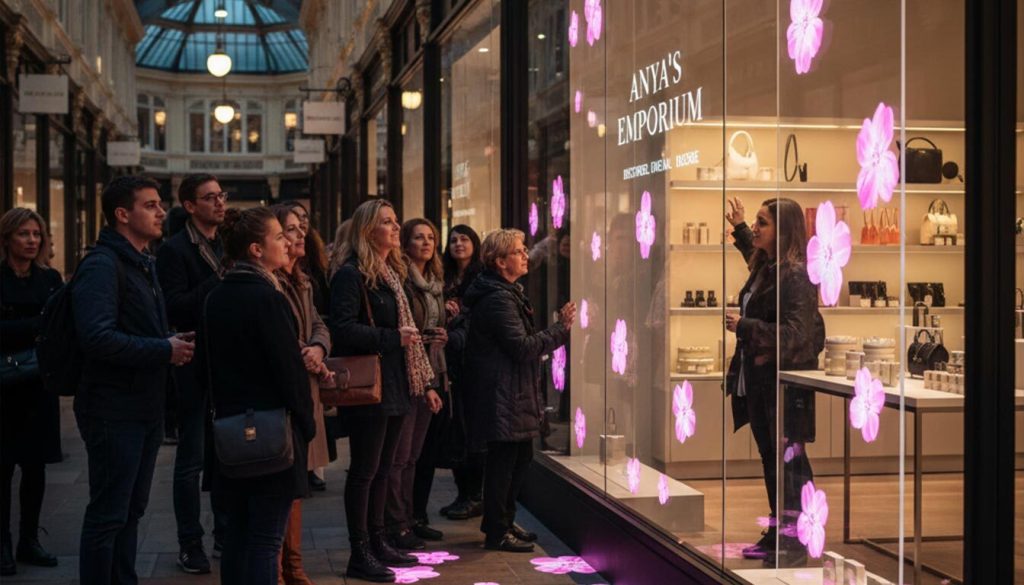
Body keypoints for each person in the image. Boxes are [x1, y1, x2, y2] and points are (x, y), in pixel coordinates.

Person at [73, 175, 195, 585]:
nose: (161, 212)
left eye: (160, 204)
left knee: (131, 510)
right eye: (150, 205)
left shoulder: (144, 262)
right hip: (113, 409)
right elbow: (96, 337)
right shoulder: (102, 265)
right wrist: (164, 350)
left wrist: (167, 341)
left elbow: (135, 329)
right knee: (108, 513)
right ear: (122, 215)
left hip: (144, 406)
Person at [201, 207, 314, 585]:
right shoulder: (268, 298)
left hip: (230, 430)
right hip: (271, 430)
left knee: (236, 534)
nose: (287, 242)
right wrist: (306, 422)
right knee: (266, 539)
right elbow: (288, 371)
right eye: (279, 237)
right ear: (255, 249)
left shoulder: (217, 296)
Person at [329, 199, 432, 582]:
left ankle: (378, 540)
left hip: (398, 381)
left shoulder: (390, 271)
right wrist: (393, 337)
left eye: (394, 221)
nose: (395, 227)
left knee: (384, 470)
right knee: (365, 472)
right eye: (387, 222)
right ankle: (360, 552)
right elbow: (342, 330)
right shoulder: (351, 274)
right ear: (368, 229)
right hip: (371, 387)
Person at [724, 197, 823, 566]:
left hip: (783, 387)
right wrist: (739, 228)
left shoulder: (796, 275)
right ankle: (781, 528)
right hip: (762, 381)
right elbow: (753, 249)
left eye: (762, 223)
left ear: (782, 230)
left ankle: (796, 536)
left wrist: (745, 326)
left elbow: (796, 335)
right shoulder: (770, 265)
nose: (757, 227)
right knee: (772, 459)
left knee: (788, 461)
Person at [462, 229, 575, 552]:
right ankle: (497, 531)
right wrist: (560, 330)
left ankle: (503, 522)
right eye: (518, 251)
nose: (526, 255)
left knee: (518, 459)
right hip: (504, 395)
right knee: (504, 464)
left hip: (511, 392)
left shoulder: (507, 292)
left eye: (525, 249)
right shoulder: (498, 298)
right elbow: (522, 348)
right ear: (500, 262)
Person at [157, 174, 228, 574]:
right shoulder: (175, 250)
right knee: (191, 460)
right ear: (190, 206)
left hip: (226, 363)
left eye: (221, 196)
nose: (220, 203)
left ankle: (223, 532)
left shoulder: (225, 244)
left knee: (227, 454)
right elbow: (176, 307)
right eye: (210, 198)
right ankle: (190, 543)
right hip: (192, 366)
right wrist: (220, 278)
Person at [271, 204, 333, 585]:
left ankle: (292, 564)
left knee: (298, 486)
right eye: (289, 230)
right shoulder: (272, 281)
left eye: (300, 228)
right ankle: (279, 568)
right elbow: (275, 332)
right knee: (283, 486)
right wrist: (305, 352)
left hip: (306, 386)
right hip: (289, 389)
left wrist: (319, 347)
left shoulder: (302, 278)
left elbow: (320, 323)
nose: (299, 235)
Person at [0, 209, 63, 576]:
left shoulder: (49, 278)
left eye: (36, 234)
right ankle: (3, 542)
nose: (32, 240)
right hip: (5, 386)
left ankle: (29, 539)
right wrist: (37, 325)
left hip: (39, 384)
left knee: (35, 467)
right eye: (24, 234)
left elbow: (58, 327)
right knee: (4, 468)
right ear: (7, 238)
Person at [387, 219, 446, 550]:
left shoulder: (435, 282)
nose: (426, 243)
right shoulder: (403, 282)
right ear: (406, 244)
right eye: (418, 237)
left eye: (431, 237)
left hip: (433, 372)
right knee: (401, 454)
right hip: (412, 374)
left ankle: (409, 519)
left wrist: (444, 333)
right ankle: (396, 523)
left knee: (413, 456)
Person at [431, 225, 485, 522]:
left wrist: (459, 311)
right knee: (455, 429)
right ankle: (464, 493)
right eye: (453, 240)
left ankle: (474, 495)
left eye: (464, 239)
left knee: (471, 430)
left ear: (475, 244)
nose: (458, 244)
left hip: (472, 361)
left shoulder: (481, 276)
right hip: (448, 360)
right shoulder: (442, 277)